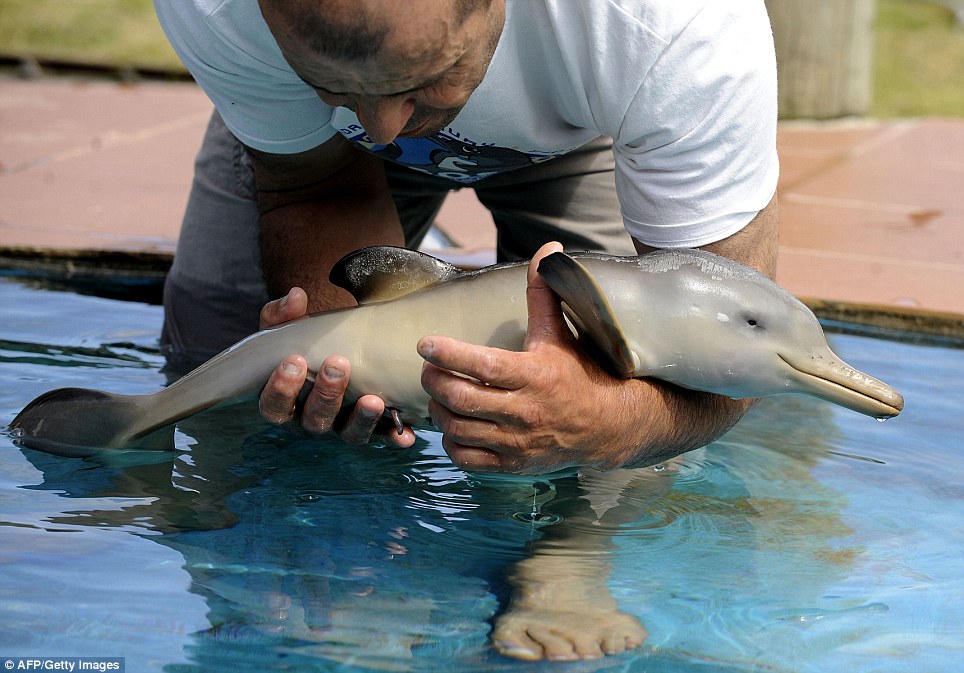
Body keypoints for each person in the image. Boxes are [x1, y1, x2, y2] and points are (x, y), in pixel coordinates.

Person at [154, 0, 779, 659]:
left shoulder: (670, 27)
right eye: (334, 81)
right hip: (321, 152)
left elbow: (724, 352)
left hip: (584, 117)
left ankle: (569, 550)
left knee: (630, 362)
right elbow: (315, 185)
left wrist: (607, 419)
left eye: (431, 74)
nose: (384, 124)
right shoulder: (217, 8)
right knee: (220, 357)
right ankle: (297, 546)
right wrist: (344, 348)